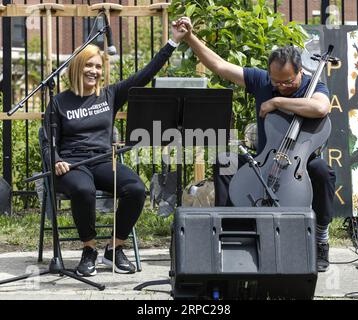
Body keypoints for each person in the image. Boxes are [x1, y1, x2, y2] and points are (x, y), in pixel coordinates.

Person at [176, 17, 336, 272]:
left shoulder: (313, 86)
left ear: (300, 72)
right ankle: (229, 229)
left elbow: (320, 107)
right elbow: (220, 66)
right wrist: (190, 38)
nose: (281, 87)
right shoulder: (263, 81)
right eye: (276, 82)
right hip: (265, 157)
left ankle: (320, 236)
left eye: (287, 82)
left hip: (300, 161)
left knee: (323, 172)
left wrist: (277, 102)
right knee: (225, 162)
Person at [42, 22, 188, 277]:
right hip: (72, 164)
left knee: (136, 189)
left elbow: (144, 75)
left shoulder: (110, 94)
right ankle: (89, 250)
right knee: (83, 190)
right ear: (77, 67)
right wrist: (56, 160)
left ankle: (115, 247)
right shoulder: (59, 101)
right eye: (89, 65)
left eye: (98, 67)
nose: (94, 71)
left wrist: (173, 42)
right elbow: (48, 142)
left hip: (102, 161)